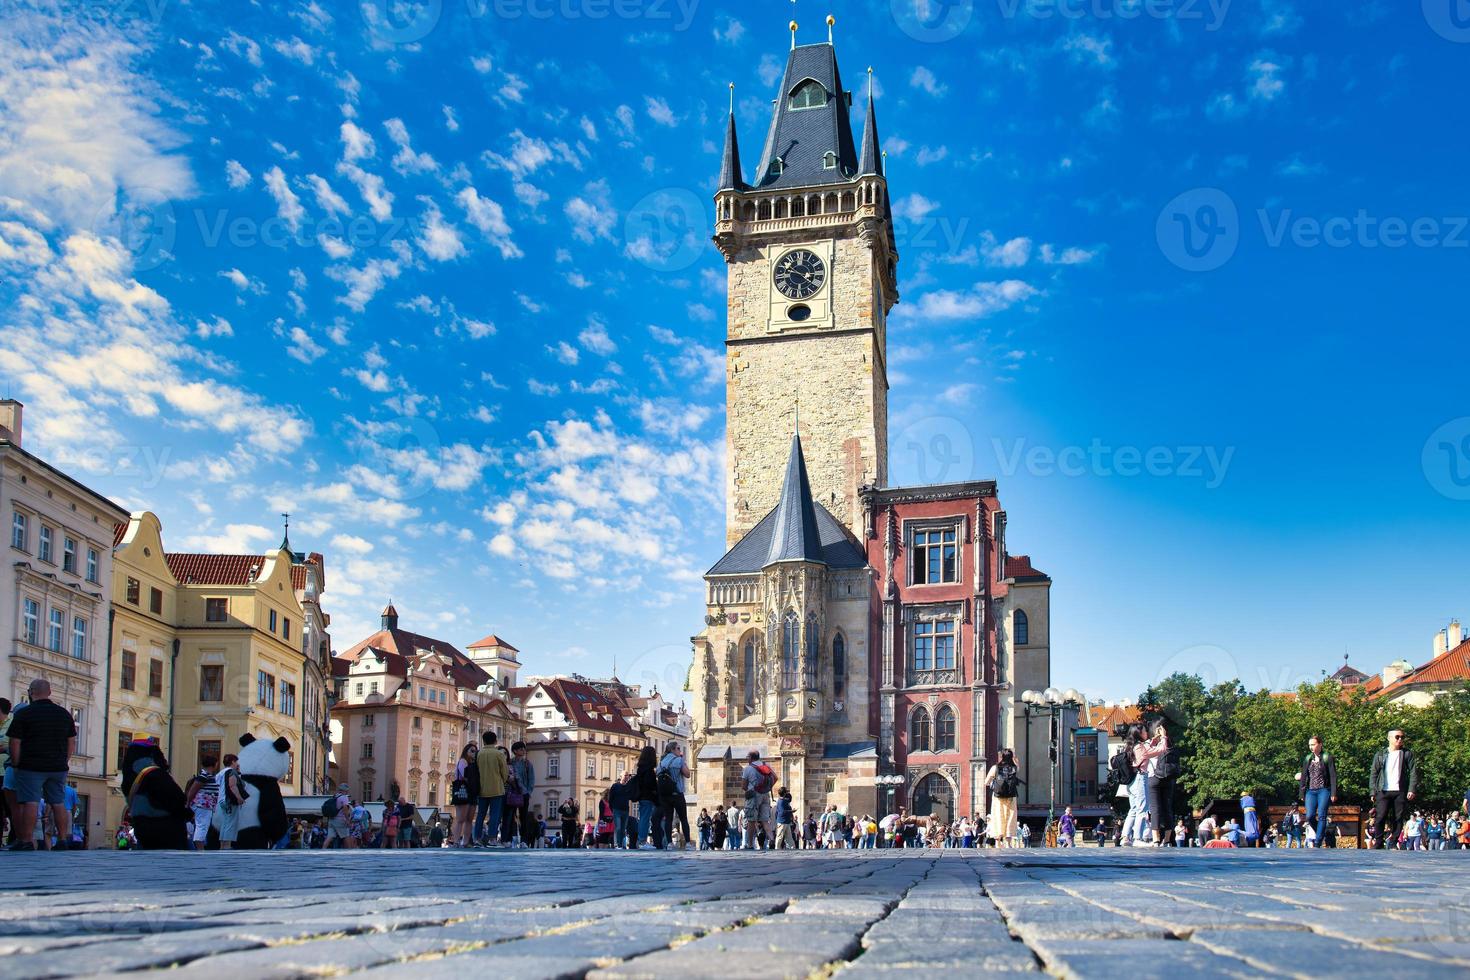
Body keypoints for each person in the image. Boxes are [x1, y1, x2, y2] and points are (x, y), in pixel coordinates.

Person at [6, 680, 78, 851]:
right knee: (58, 803)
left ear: (31, 692)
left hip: (31, 766)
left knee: (31, 802)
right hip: (57, 767)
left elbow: (14, 742)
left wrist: (16, 763)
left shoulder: (24, 714)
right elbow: (71, 742)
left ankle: (27, 840)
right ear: (50, 692)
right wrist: (64, 761)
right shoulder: (64, 714)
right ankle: (62, 840)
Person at [1370, 729, 1418, 849]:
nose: (1400, 739)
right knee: (1380, 817)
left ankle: (1393, 842)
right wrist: (1373, 791)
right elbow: (1374, 773)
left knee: (1398, 817)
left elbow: (1413, 772)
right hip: (1383, 790)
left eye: (1402, 737)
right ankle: (1379, 841)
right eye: (1397, 737)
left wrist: (1411, 789)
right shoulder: (1380, 754)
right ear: (1389, 738)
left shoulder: (1407, 753)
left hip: (1399, 790)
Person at [1297, 735, 1337, 848]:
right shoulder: (1308, 758)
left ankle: (1318, 842)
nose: (1311, 747)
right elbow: (1304, 776)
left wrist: (1333, 793)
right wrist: (1302, 792)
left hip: (1324, 790)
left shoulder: (1327, 757)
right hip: (1311, 790)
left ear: (1320, 744)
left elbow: (1333, 776)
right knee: (1309, 816)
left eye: (1313, 744)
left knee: (1322, 816)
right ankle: (1322, 833)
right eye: (1310, 745)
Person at [1143, 719, 1177, 846]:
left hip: (1154, 777)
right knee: (1167, 808)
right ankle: (1167, 839)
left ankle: (1156, 838)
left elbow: (1145, 754)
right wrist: (1164, 737)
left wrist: (1155, 739)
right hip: (1168, 777)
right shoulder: (1170, 743)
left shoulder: (1149, 744)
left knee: (1155, 808)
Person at [474, 731, 508, 847]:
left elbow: (476, 770)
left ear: (483, 741)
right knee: (495, 815)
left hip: (482, 789)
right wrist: (502, 781)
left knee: (480, 815)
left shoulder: (479, 754)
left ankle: (477, 838)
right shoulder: (499, 754)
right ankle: (492, 838)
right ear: (495, 741)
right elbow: (505, 772)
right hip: (497, 788)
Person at [984, 748, 1021, 849]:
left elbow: (986, 782)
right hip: (1011, 796)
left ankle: (997, 843)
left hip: (998, 797)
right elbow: (1018, 769)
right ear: (1011, 757)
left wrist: (995, 784)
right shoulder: (1014, 767)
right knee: (1010, 817)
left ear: (1002, 757)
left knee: (997, 817)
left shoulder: (995, 767)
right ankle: (1008, 843)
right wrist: (1016, 761)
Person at [657, 743, 691, 850]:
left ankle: (669, 844)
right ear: (672, 750)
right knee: (683, 819)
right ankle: (688, 843)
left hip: (665, 795)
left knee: (668, 819)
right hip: (677, 794)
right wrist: (682, 762)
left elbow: (657, 775)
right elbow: (687, 774)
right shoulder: (679, 760)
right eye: (678, 748)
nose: (679, 751)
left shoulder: (661, 763)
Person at [740, 749, 776, 850]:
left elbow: (743, 786)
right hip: (765, 794)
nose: (747, 759)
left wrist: (751, 789)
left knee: (751, 820)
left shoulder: (748, 769)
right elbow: (775, 777)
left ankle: (750, 844)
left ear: (751, 758)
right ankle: (772, 839)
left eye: (747, 757)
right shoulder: (766, 766)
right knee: (765, 820)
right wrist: (767, 788)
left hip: (754, 795)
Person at [184, 756, 220, 851]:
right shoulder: (204, 776)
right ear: (214, 764)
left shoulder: (206, 775)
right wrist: (188, 802)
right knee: (202, 825)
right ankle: (200, 848)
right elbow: (193, 789)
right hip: (203, 805)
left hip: (206, 805)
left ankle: (200, 846)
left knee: (203, 825)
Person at [507, 741, 535, 848]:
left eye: (524, 749)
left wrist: (528, 792)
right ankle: (510, 839)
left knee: (524, 818)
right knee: (510, 816)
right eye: (521, 749)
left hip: (524, 794)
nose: (523, 751)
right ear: (515, 751)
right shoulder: (510, 763)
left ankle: (524, 841)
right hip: (512, 793)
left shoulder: (527, 764)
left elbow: (531, 779)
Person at [633, 745, 661, 849]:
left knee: (643, 818)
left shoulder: (641, 768)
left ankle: (641, 840)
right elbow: (649, 784)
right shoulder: (649, 770)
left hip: (642, 796)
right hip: (647, 797)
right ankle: (642, 841)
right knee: (644, 819)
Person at [452, 743, 478, 847]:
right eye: (472, 751)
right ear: (466, 751)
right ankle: (456, 841)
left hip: (472, 792)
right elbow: (465, 776)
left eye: (475, 751)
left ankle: (466, 841)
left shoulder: (473, 763)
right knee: (461, 819)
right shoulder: (463, 761)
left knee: (469, 819)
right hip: (464, 790)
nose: (474, 753)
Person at [325, 783, 355, 849]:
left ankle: (323, 849)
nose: (347, 791)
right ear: (345, 790)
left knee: (330, 836)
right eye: (347, 790)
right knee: (346, 836)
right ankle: (349, 851)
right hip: (340, 819)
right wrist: (347, 820)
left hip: (331, 819)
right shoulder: (344, 797)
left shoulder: (335, 796)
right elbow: (345, 809)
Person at [608, 772, 634, 849]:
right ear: (621, 776)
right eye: (625, 775)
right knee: (618, 827)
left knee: (623, 829)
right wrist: (612, 809)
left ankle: (622, 844)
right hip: (616, 810)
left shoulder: (629, 786)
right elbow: (610, 798)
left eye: (628, 776)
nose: (627, 777)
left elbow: (632, 796)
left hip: (625, 810)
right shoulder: (615, 786)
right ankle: (617, 844)